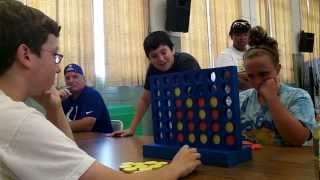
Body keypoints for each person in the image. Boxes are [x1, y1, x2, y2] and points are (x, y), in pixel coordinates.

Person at [0, 1, 201, 179]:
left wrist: (54, 107)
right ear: (25, 55)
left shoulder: (10, 115)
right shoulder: (17, 121)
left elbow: (73, 165)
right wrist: (174, 168)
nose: (58, 68)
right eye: (54, 55)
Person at [110, 31, 201, 137]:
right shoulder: (153, 70)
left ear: (172, 50)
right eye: (154, 56)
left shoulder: (186, 62)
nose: (161, 59)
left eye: (163, 52)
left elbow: (196, 93)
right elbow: (145, 100)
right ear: (150, 59)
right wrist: (132, 129)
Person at [240, 26, 316, 146]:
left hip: (288, 164)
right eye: (251, 76)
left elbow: (298, 139)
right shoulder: (242, 99)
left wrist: (272, 99)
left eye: (263, 74)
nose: (257, 81)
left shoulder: (298, 96)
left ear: (277, 69)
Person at [60, 63, 113, 133]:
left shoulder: (91, 94)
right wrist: (56, 103)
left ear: (84, 79)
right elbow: (54, 120)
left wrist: (58, 126)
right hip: (79, 139)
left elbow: (87, 125)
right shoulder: (65, 97)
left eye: (75, 77)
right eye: (67, 78)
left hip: (101, 140)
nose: (71, 81)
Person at [215, 19, 252, 90]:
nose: (242, 38)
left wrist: (237, 74)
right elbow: (229, 78)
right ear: (231, 36)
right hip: (234, 99)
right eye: (238, 35)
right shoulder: (225, 55)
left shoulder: (254, 52)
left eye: (245, 35)